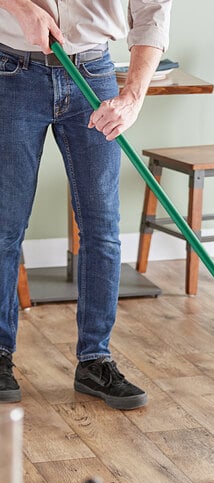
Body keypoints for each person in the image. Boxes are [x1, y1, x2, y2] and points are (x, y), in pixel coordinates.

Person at [0, 0, 172, 409]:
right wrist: (21, 7)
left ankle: (95, 361)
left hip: (93, 74)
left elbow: (152, 14)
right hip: (11, 72)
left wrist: (132, 96)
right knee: (5, 227)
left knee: (103, 230)